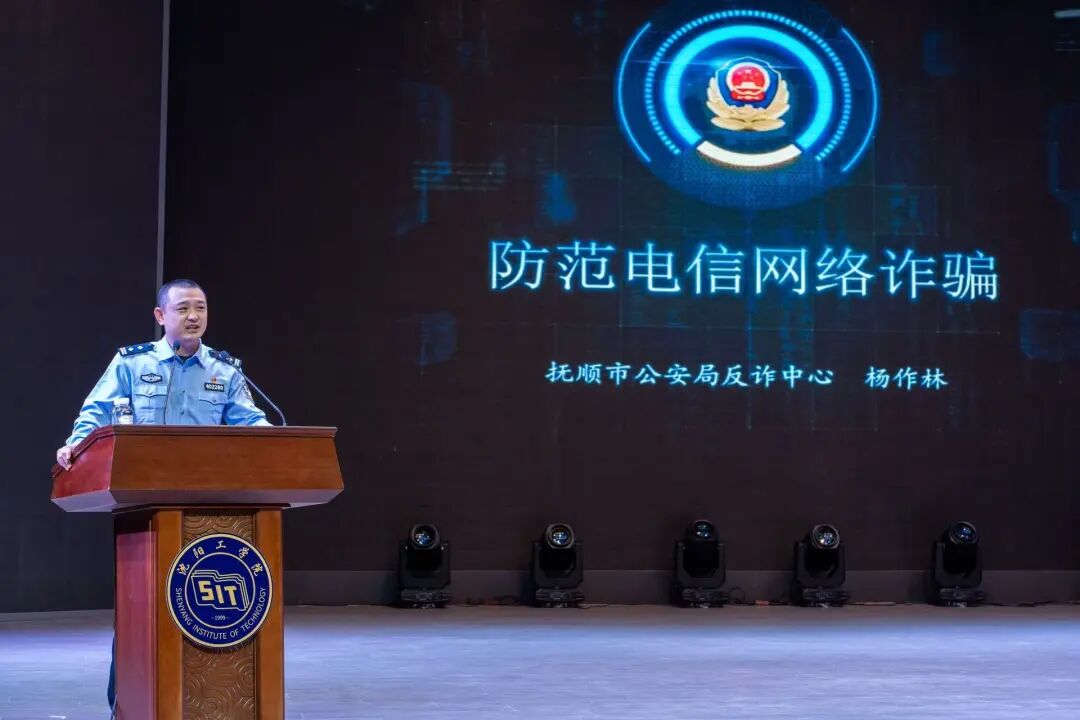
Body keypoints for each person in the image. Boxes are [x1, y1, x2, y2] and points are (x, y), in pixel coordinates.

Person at [55, 278, 270, 713]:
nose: (193, 316)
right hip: (143, 508)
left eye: (201, 308)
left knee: (198, 612)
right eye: (183, 308)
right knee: (143, 611)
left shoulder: (226, 370)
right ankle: (127, 707)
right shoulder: (131, 364)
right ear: (160, 316)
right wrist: (75, 444)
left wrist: (277, 443)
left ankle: (202, 702)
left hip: (209, 509)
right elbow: (95, 413)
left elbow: (253, 425)